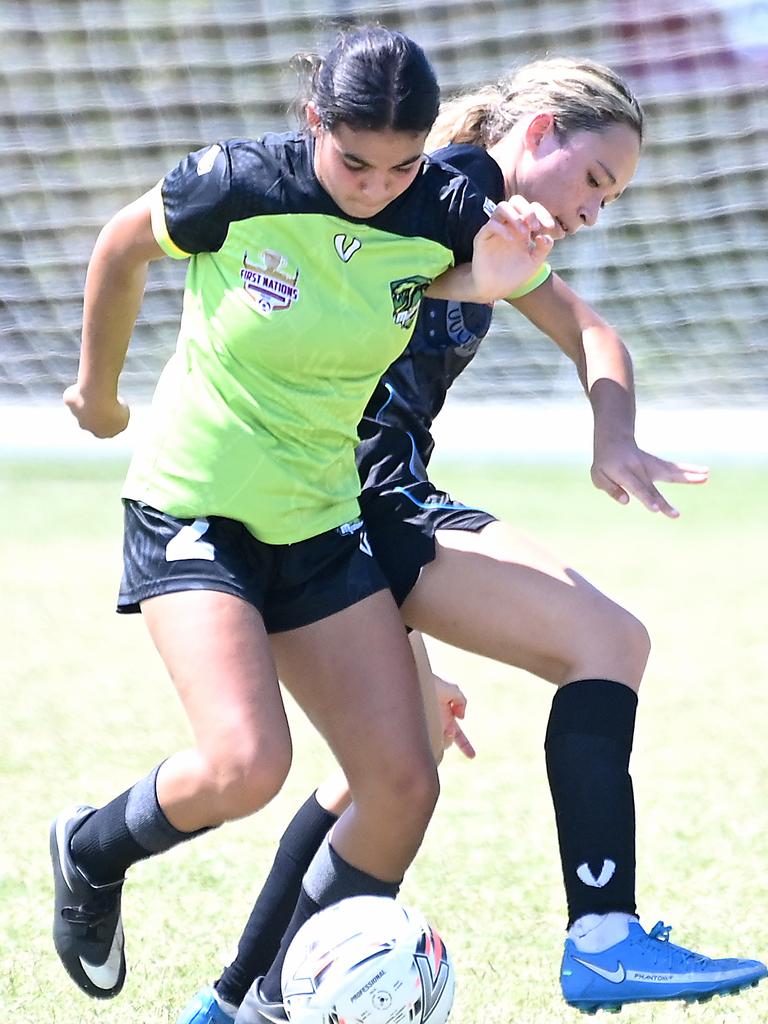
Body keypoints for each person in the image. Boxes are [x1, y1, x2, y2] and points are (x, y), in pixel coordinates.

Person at [175, 56, 767, 1024]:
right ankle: (605, 939)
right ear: (536, 135)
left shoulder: (472, 210)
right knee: (607, 642)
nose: (595, 210)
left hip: (365, 500)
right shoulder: (448, 192)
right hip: (355, 499)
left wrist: (611, 430)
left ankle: (235, 1003)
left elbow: (593, 334)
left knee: (393, 774)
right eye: (594, 182)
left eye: (610, 199)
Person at [49, 25, 555, 1004]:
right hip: (193, 505)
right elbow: (121, 246)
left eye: (402, 164)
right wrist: (97, 392)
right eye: (354, 161)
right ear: (312, 121)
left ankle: (273, 1000)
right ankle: (91, 847)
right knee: (247, 765)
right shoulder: (236, 184)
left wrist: (491, 274)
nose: (376, 185)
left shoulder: (439, 207)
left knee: (403, 786)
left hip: (319, 520)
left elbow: (452, 277)